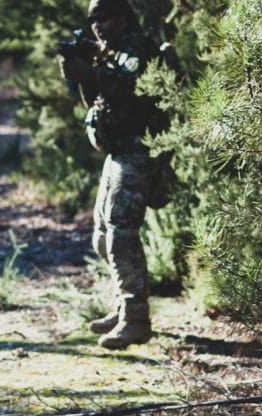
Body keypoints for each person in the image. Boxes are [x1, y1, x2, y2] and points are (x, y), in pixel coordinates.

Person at [59, 0, 165, 349]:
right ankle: (123, 307)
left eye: (102, 18)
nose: (96, 26)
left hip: (139, 150)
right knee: (102, 234)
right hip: (119, 152)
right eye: (92, 20)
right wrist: (82, 72)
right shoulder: (111, 53)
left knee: (121, 233)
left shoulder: (137, 49)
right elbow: (99, 100)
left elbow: (128, 89)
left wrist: (89, 71)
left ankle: (136, 320)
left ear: (122, 20)